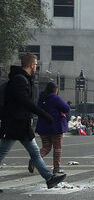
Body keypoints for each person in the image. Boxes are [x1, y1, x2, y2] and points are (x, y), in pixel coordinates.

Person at [0, 53, 66, 190]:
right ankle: (49, 178)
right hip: (14, 123)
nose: (36, 67)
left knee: (35, 152)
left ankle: (49, 178)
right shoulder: (20, 80)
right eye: (35, 65)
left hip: (21, 123)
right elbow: (24, 102)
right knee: (2, 152)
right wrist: (45, 115)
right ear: (31, 65)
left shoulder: (23, 79)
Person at [35, 82, 70, 174]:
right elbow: (66, 108)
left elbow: (38, 109)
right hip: (56, 126)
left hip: (43, 127)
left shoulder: (41, 98)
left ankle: (35, 159)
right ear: (55, 90)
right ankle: (56, 167)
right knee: (57, 148)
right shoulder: (55, 97)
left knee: (46, 147)